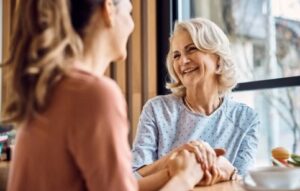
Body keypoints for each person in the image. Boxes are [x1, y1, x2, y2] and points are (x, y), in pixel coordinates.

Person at [3, 0, 203, 190]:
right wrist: (185, 179)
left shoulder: (53, 87)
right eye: (129, 12)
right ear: (109, 9)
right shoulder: (94, 95)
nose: (132, 25)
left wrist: (172, 172)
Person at [132, 17, 260, 184]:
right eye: (176, 55)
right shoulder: (157, 109)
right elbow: (134, 177)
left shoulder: (246, 119)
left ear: (218, 60)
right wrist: (177, 156)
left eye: (191, 49)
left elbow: (243, 182)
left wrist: (228, 172)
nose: (182, 61)